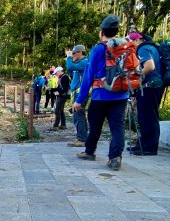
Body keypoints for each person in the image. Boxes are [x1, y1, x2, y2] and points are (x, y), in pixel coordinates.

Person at [72, 14, 128, 171]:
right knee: (117, 128)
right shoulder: (125, 48)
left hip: (100, 95)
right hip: (121, 95)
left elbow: (88, 77)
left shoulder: (98, 49)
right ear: (116, 32)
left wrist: (79, 99)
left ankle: (89, 152)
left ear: (101, 31)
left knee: (95, 125)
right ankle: (115, 158)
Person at [127, 32, 164, 155]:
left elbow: (150, 66)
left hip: (150, 86)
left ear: (138, 40)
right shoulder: (152, 47)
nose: (129, 43)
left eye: (130, 40)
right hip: (153, 86)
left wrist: (136, 78)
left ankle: (149, 147)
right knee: (144, 116)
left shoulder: (143, 48)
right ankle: (142, 144)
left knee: (148, 117)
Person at [66, 45, 89, 147]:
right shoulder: (79, 63)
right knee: (78, 116)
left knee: (79, 116)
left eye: (74, 53)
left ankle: (82, 139)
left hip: (80, 94)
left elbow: (70, 66)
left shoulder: (84, 62)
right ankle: (82, 138)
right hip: (76, 93)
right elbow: (70, 70)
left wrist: (69, 57)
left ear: (80, 52)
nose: (73, 55)